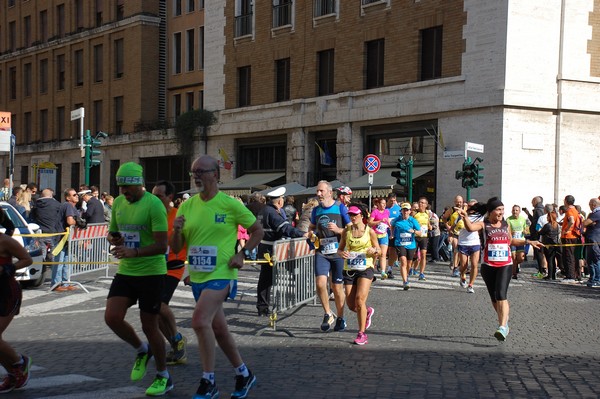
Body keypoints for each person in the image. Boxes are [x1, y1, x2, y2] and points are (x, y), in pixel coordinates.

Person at [169, 155, 263, 399]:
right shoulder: (187, 206)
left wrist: (243, 254)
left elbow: (257, 231)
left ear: (216, 174)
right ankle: (244, 374)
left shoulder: (230, 204)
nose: (197, 175)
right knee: (219, 329)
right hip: (199, 277)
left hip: (223, 273)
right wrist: (177, 231)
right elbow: (177, 246)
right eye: (193, 172)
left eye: (201, 171)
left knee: (200, 321)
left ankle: (208, 381)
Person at [105, 162, 173, 396]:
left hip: (151, 272)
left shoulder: (154, 205)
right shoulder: (119, 203)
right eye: (120, 186)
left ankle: (164, 375)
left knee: (149, 325)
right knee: (112, 317)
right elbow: (113, 231)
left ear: (138, 184)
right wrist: (112, 239)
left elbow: (162, 245)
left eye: (127, 187)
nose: (123, 191)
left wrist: (134, 251)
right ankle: (142, 349)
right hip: (126, 270)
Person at [458, 198, 542, 341]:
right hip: (488, 265)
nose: (501, 213)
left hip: (505, 264)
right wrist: (465, 217)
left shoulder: (505, 224)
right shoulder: (483, 224)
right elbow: (470, 228)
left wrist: (528, 241)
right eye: (498, 210)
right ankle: (505, 321)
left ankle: (502, 326)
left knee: (501, 294)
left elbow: (510, 241)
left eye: (502, 210)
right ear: (490, 212)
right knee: (494, 297)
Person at [151, 180, 188, 365]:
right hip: (153, 266)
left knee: (159, 304)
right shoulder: (150, 215)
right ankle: (176, 347)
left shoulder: (178, 215)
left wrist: (193, 271)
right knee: (153, 313)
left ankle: (176, 337)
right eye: (153, 195)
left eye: (159, 196)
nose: (154, 199)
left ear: (170, 197)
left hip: (173, 267)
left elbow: (191, 240)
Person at [256, 187, 308, 316]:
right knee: (270, 277)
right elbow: (285, 228)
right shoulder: (272, 213)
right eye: (282, 199)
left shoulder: (264, 210)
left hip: (265, 247)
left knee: (265, 278)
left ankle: (263, 306)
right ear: (279, 201)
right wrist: (302, 234)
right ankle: (301, 294)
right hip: (272, 248)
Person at [309, 181, 350, 332]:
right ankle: (327, 313)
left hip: (338, 252)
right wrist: (311, 233)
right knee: (320, 283)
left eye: (321, 191)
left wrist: (339, 230)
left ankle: (340, 317)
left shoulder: (340, 207)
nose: (318, 194)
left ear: (329, 192)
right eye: (317, 191)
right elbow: (312, 227)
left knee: (337, 287)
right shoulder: (316, 210)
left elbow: (351, 228)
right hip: (322, 251)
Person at [337, 205, 380, 345]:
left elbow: (378, 249)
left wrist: (373, 251)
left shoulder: (370, 232)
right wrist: (341, 253)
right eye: (350, 215)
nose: (352, 217)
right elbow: (339, 249)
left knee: (360, 299)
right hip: (349, 268)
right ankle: (366, 312)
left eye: (355, 214)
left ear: (362, 215)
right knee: (351, 305)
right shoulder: (346, 231)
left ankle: (362, 334)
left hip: (365, 267)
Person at [0, 225, 33, 393]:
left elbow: (27, 259)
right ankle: (14, 373)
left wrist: (7, 268)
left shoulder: (5, 241)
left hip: (6, 293)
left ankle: (20, 362)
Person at [53, 188, 78, 291]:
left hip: (68, 239)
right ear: (68, 198)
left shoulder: (73, 207)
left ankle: (65, 282)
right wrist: (78, 222)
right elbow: (70, 221)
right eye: (74, 194)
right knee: (60, 261)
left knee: (67, 261)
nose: (77, 196)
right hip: (62, 238)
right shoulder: (67, 205)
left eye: (76, 194)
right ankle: (56, 284)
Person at [392, 202, 421, 290]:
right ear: (401, 211)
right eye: (404, 210)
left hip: (411, 244)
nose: (405, 212)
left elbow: (420, 233)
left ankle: (406, 276)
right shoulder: (397, 220)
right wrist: (392, 234)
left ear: (409, 211)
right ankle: (405, 281)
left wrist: (414, 231)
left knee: (409, 264)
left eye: (407, 210)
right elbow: (392, 225)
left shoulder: (413, 220)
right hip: (400, 243)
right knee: (403, 262)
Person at [457, 200, 484, 294]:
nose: (471, 208)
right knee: (464, 265)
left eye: (473, 206)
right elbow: (456, 225)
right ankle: (462, 276)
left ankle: (471, 285)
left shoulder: (480, 216)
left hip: (475, 243)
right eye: (470, 206)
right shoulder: (461, 214)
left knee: (474, 264)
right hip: (463, 243)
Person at [560, 195, 581, 282]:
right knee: (572, 256)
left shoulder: (570, 210)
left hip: (568, 236)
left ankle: (570, 276)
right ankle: (574, 274)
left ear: (566, 201)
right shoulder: (575, 210)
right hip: (573, 236)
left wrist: (566, 230)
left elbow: (571, 221)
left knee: (568, 256)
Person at [368, 197, 390, 279]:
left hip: (384, 234)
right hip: (375, 235)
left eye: (385, 203)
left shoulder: (387, 211)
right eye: (382, 203)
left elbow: (387, 221)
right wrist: (379, 221)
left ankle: (383, 272)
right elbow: (370, 223)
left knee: (383, 254)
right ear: (378, 204)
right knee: (375, 254)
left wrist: (389, 225)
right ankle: (371, 271)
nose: (384, 205)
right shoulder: (375, 212)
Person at [442, 195, 465, 277]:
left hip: (464, 233)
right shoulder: (451, 210)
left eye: (460, 202)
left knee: (461, 250)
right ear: (454, 202)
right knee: (456, 249)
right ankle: (455, 268)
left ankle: (460, 266)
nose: (459, 203)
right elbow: (444, 218)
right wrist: (447, 226)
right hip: (454, 232)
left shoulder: (465, 209)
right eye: (457, 202)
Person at [523, 196, 546, 276]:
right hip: (538, 234)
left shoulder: (539, 210)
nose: (531, 203)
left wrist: (537, 231)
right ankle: (542, 270)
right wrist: (528, 214)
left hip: (537, 235)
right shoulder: (540, 209)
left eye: (532, 201)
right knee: (540, 252)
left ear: (536, 201)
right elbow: (534, 220)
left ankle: (541, 271)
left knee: (539, 252)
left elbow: (539, 221)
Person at [411, 197, 431, 280]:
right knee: (413, 254)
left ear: (426, 205)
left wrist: (429, 226)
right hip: (415, 237)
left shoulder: (427, 213)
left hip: (424, 237)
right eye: (420, 202)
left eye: (423, 203)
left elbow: (428, 224)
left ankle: (421, 273)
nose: (420, 204)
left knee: (423, 255)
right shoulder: (414, 213)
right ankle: (410, 268)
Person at [538, 210, 562, 280]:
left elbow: (541, 232)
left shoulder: (548, 225)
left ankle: (550, 275)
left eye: (548, 216)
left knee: (550, 260)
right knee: (553, 260)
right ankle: (553, 275)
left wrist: (538, 231)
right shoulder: (557, 225)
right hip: (555, 244)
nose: (547, 218)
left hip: (548, 245)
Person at [506, 205, 528, 279]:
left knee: (521, 258)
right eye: (513, 210)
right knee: (513, 257)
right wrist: (511, 233)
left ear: (519, 211)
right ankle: (514, 273)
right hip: (512, 241)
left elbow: (526, 229)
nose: (515, 212)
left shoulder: (523, 219)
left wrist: (525, 231)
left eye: (516, 210)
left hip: (521, 240)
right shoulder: (508, 219)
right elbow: (507, 230)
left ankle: (516, 265)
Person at [583, 198, 600, 287]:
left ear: (593, 204)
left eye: (589, 204)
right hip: (590, 238)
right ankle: (592, 278)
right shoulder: (593, 214)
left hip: (595, 239)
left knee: (595, 259)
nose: (589, 206)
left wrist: (588, 223)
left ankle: (597, 279)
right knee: (589, 260)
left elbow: (585, 223)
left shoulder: (597, 213)